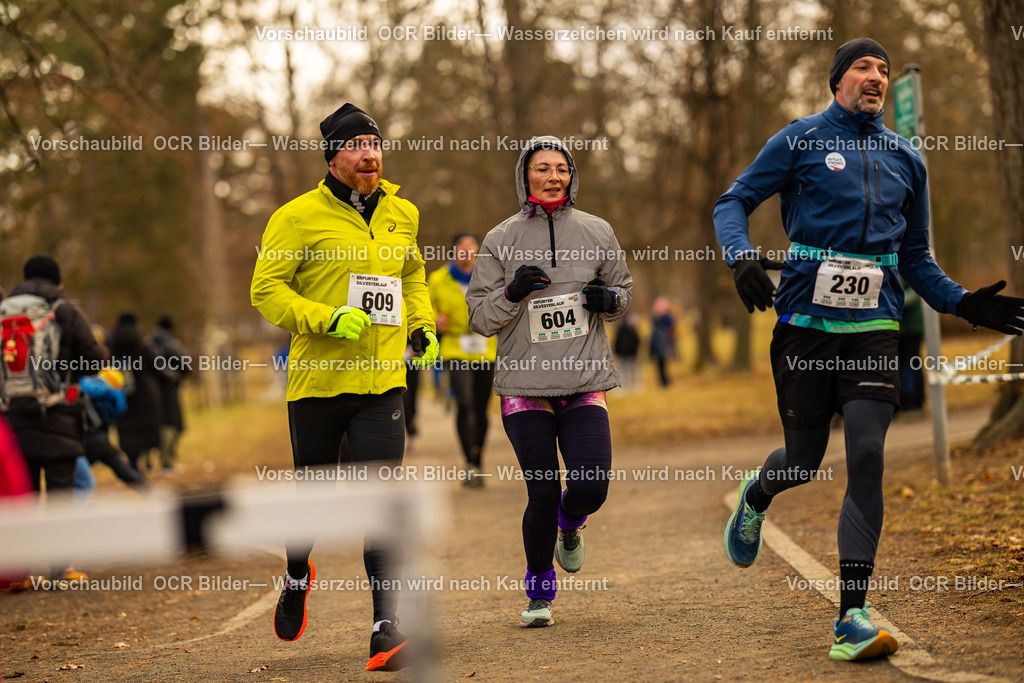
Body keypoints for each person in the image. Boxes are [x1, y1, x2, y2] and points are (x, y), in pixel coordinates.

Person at [714, 38, 1024, 662]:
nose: (876, 76)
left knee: (867, 453)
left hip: (875, 330)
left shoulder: (907, 158)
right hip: (804, 325)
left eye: (883, 69)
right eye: (862, 66)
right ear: (838, 81)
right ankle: (758, 494)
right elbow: (733, 202)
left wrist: (965, 304)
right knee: (803, 461)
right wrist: (741, 255)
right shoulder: (800, 139)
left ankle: (850, 616)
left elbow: (917, 260)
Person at [250, 102, 437, 672]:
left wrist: (421, 325)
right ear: (333, 158)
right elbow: (266, 290)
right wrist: (327, 317)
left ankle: (385, 629)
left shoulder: (403, 213)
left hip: (382, 384)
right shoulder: (295, 217)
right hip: (319, 385)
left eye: (375, 144)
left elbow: (412, 276)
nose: (369, 155)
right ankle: (297, 571)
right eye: (356, 146)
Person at [467, 136, 632, 628]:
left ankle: (571, 521)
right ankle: (539, 591)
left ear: (572, 176)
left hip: (584, 379)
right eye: (542, 168)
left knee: (591, 486)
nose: (553, 176)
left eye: (562, 168)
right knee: (541, 491)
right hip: (524, 386)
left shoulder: (598, 230)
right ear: (525, 175)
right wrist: (512, 293)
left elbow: (623, 291)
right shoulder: (500, 238)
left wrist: (610, 301)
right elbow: (479, 317)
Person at [1, 254, 106, 581]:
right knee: (61, 492)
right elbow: (93, 360)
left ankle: (20, 571)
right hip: (58, 415)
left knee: (25, 496)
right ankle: (61, 568)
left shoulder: (5, 313)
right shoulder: (64, 310)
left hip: (14, 417)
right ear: (57, 282)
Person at [428, 233, 496, 486]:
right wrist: (435, 321)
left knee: (481, 407)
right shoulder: (438, 279)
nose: (467, 250)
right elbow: (425, 308)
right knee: (464, 403)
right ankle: (469, 462)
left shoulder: (490, 276)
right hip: (455, 347)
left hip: (485, 347)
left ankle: (478, 460)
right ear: (454, 251)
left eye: (471, 246)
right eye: (461, 246)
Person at [109, 312, 163, 475]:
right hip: (144, 396)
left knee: (127, 432)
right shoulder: (142, 344)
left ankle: (132, 462)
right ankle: (146, 460)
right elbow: (156, 367)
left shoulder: (112, 345)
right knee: (144, 431)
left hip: (122, 395)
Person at [149, 316, 189, 472]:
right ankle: (167, 460)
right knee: (173, 424)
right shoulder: (172, 343)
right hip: (170, 389)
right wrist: (178, 377)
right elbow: (185, 366)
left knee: (155, 424)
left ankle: (149, 461)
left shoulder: (148, 342)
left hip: (151, 390)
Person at [898, 278, 925, 411]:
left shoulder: (908, 269)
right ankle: (903, 402)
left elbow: (916, 292)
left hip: (912, 327)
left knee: (912, 364)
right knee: (897, 366)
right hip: (896, 327)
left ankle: (915, 402)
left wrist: (895, 300)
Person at [648, 297, 676, 387]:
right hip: (660, 345)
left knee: (663, 364)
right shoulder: (658, 321)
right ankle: (663, 381)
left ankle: (665, 380)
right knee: (660, 364)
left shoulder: (664, 319)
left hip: (662, 345)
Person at [612, 312, 640, 393]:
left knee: (626, 370)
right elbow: (636, 340)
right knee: (630, 369)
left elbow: (616, 341)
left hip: (625, 353)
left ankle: (626, 386)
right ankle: (632, 385)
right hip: (629, 352)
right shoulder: (631, 328)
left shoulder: (619, 328)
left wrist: (617, 351)